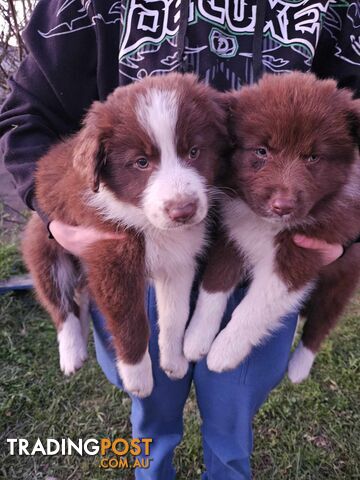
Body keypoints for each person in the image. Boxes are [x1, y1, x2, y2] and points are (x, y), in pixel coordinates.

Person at [0, 1, 359, 478]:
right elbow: (27, 115)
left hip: (268, 246)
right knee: (147, 407)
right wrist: (53, 211)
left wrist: (348, 224)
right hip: (136, 244)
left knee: (232, 418)